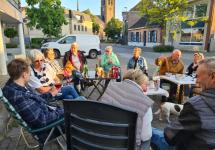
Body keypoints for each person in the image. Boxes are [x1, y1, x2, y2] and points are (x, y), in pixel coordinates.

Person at [152, 57, 215, 150]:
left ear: (213, 76)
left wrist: (178, 121)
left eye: (198, 76)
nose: (196, 81)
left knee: (150, 132)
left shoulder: (196, 105)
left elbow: (170, 137)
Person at [2, 58, 64, 129]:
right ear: (24, 75)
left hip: (48, 112)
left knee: (73, 105)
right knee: (76, 113)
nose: (30, 76)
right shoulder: (18, 96)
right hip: (50, 127)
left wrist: (51, 94)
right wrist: (65, 111)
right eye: (29, 73)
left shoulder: (18, 86)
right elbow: (42, 120)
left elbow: (35, 98)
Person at [100, 69, 154, 150]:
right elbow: (145, 137)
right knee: (155, 134)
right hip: (126, 145)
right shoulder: (145, 104)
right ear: (140, 83)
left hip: (104, 139)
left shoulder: (110, 87)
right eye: (146, 85)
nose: (146, 89)